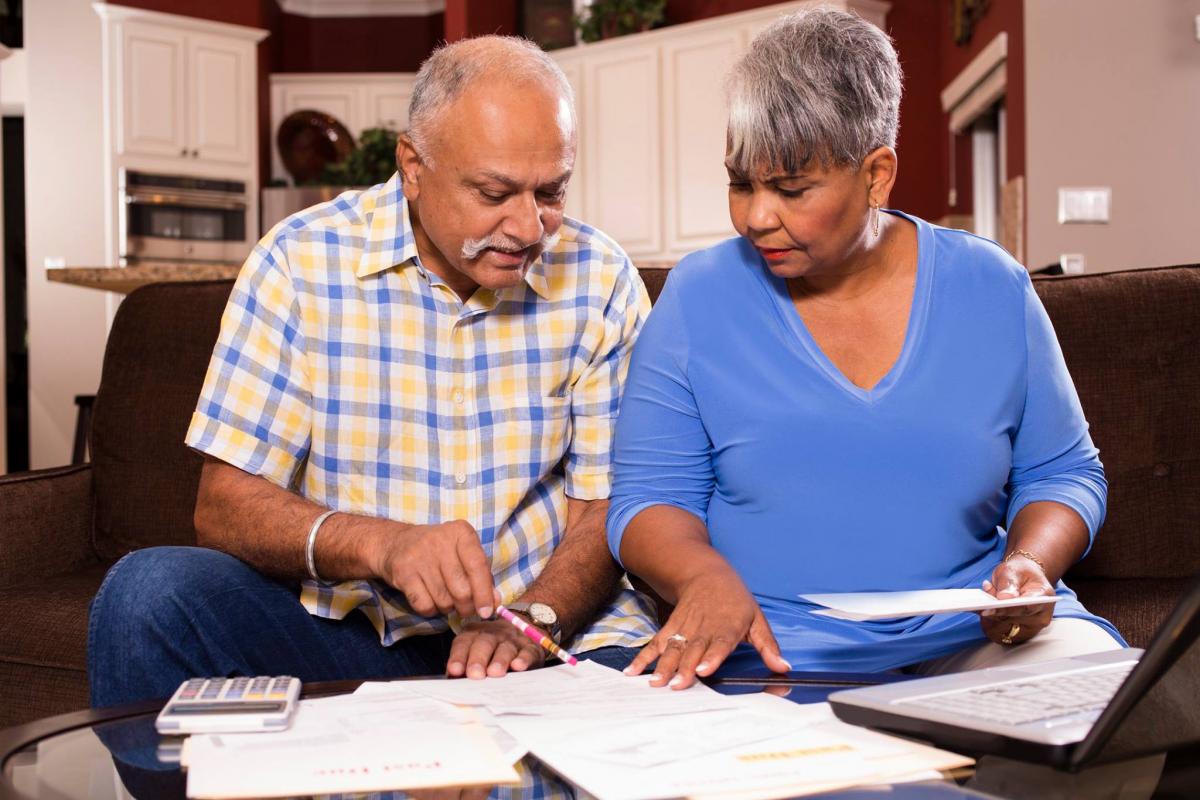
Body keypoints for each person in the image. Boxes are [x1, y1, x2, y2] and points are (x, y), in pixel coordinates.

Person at [88, 35, 658, 709]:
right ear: (413, 165)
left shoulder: (600, 278)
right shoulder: (298, 264)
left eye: (551, 191)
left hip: (550, 636)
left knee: (646, 711)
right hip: (351, 636)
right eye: (495, 192)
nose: (531, 226)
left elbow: (604, 505)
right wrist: (379, 546)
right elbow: (224, 506)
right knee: (146, 596)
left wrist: (534, 622)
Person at [606, 9, 1124, 691]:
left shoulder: (991, 286)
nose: (757, 216)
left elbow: (1063, 475)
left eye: (791, 189)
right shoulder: (698, 298)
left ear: (876, 176)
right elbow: (647, 501)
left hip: (971, 635)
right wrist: (705, 579)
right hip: (767, 646)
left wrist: (1031, 564)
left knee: (1111, 707)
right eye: (741, 183)